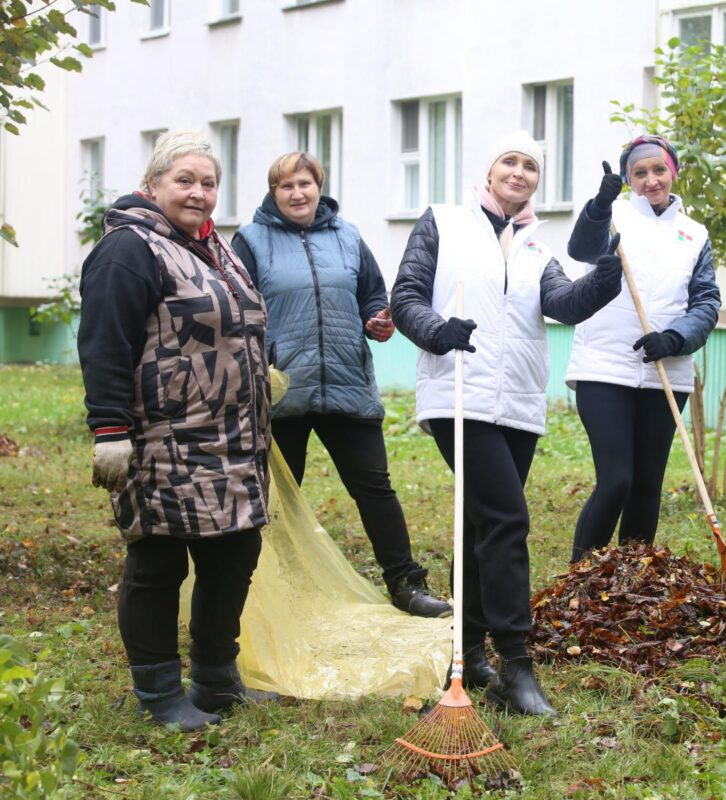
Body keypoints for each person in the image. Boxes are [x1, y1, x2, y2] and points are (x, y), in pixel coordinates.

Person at [390, 131, 621, 716]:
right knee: (507, 519)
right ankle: (517, 667)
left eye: (530, 166)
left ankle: (469, 654)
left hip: (517, 400)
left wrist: (607, 276)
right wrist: (438, 330)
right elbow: (407, 295)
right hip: (458, 394)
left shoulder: (535, 245)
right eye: (509, 162)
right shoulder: (443, 222)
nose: (519, 172)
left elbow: (563, 304)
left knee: (482, 526)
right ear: (489, 170)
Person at [78, 131, 278, 731]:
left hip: (234, 441)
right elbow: (104, 343)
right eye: (184, 180)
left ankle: (215, 678)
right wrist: (109, 428)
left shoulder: (215, 247)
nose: (198, 192)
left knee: (234, 554)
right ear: (153, 183)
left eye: (208, 183)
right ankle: (159, 692)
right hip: (164, 439)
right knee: (158, 564)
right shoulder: (128, 249)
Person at [231, 153, 450, 619]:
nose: (297, 193)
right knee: (273, 498)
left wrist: (377, 320)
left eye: (305, 184)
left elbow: (372, 295)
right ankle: (258, 593)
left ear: (319, 186)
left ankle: (405, 583)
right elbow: (237, 309)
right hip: (282, 390)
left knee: (375, 488)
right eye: (286, 186)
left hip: (347, 383)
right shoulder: (250, 241)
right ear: (273, 192)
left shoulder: (348, 237)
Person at [564, 135, 720, 563]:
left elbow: (706, 302)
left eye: (659, 170)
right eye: (640, 172)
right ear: (628, 179)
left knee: (647, 484)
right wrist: (600, 204)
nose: (651, 180)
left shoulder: (694, 234)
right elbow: (580, 248)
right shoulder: (612, 218)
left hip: (665, 372)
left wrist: (675, 337)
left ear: (674, 172)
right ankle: (580, 580)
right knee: (616, 481)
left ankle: (632, 581)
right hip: (604, 367)